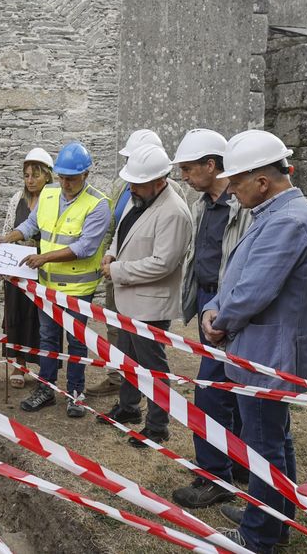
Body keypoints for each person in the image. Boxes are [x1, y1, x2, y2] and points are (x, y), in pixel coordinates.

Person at [199, 130, 307, 553]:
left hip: (266, 355)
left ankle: (259, 535)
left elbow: (254, 290)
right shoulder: (277, 213)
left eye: (236, 183)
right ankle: (274, 517)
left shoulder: (288, 221)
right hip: (262, 351)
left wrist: (220, 321)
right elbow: (238, 275)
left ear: (262, 181)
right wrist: (215, 306)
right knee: (273, 439)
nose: (231, 191)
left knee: (263, 446)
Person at [169, 128, 253, 507]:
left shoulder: (243, 208)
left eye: (188, 169)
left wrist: (224, 308)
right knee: (227, 388)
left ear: (211, 165)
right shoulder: (203, 205)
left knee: (212, 392)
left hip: (229, 306)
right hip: (209, 302)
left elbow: (245, 268)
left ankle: (215, 476)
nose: (184, 177)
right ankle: (239, 462)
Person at [0, 141, 110, 418]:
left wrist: (44, 258)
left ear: (85, 175)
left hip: (77, 289)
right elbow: (32, 224)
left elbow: (85, 247)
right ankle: (46, 388)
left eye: (72, 178)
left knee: (76, 342)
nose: (66, 184)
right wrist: (10, 236)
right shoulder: (49, 195)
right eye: (62, 177)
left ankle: (75, 393)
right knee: (47, 338)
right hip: (47, 287)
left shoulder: (98, 204)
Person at [98, 144, 192, 445]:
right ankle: (128, 407)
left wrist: (117, 270)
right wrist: (112, 253)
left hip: (150, 306)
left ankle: (157, 425)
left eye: (137, 183)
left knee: (152, 366)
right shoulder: (139, 197)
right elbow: (123, 232)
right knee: (127, 358)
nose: (131, 188)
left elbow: (163, 264)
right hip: (129, 300)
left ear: (159, 181)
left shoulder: (174, 213)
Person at [87, 129, 168, 398]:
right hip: (117, 272)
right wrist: (109, 252)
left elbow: (163, 256)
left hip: (141, 280)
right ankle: (119, 380)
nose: (128, 166)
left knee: (144, 343)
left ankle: (144, 396)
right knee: (116, 328)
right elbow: (117, 225)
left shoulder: (169, 196)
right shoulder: (123, 185)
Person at [1, 147, 55, 388]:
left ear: (47, 176)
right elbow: (7, 229)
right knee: (17, 314)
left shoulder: (53, 200)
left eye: (35, 175)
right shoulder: (17, 199)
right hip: (18, 267)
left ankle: (45, 368)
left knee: (41, 319)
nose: (30, 180)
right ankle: (18, 364)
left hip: (43, 268)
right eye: (26, 175)